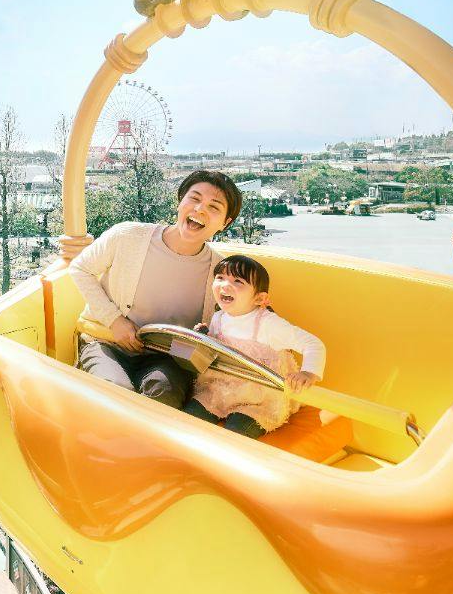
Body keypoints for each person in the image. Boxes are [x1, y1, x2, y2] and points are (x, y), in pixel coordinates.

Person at [70, 169, 242, 408]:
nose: (200, 209)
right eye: (194, 198)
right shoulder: (127, 236)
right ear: (180, 202)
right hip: (106, 342)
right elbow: (80, 268)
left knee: (164, 397)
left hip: (168, 359)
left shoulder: (221, 272)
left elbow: (238, 316)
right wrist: (114, 320)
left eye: (214, 207)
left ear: (226, 222)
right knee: (115, 393)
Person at [183, 254, 325, 438]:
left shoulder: (268, 324)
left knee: (236, 432)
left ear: (259, 298)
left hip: (258, 399)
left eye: (238, 281)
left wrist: (307, 373)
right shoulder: (218, 317)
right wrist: (205, 336)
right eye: (220, 278)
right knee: (187, 420)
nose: (225, 285)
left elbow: (313, 344)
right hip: (220, 390)